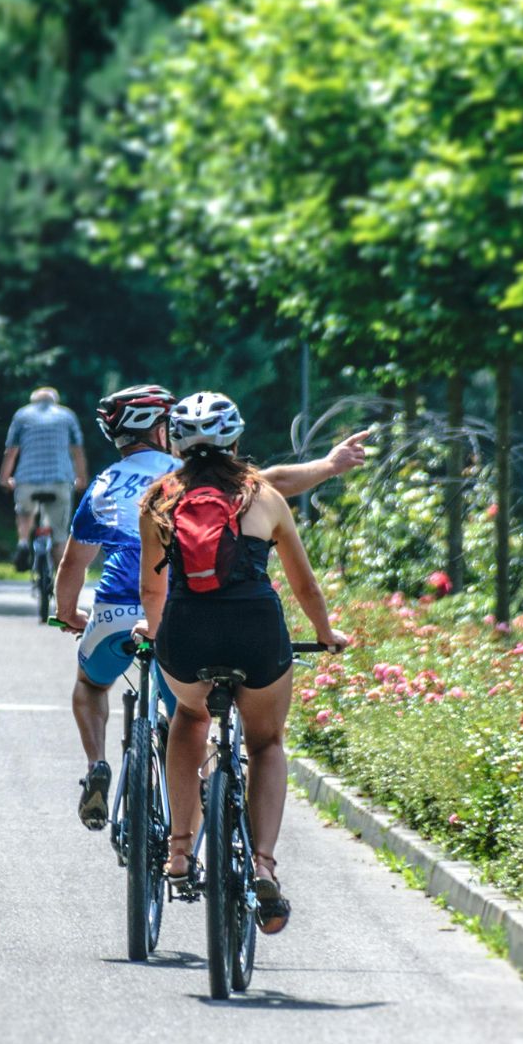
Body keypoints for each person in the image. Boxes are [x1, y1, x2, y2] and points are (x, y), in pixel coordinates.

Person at [56, 387, 368, 834]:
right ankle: (212, 811)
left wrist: (68, 611)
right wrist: (329, 465)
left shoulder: (113, 485)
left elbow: (74, 563)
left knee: (91, 682)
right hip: (200, 616)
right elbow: (273, 482)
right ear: (162, 432)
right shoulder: (194, 478)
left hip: (122, 614)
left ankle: (97, 764)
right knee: (194, 719)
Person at [133, 392, 349, 936]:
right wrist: (326, 635)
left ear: (175, 443)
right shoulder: (264, 495)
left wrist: (154, 632)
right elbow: (303, 584)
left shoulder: (158, 498)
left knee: (189, 718)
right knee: (267, 744)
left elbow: (151, 589)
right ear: (234, 438)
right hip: (256, 632)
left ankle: (180, 851)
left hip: (186, 633)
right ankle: (263, 865)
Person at [0, 387, 86, 571]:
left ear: (33, 401)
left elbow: (11, 451)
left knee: (24, 512)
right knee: (59, 536)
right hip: (60, 480)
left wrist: (5, 478)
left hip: (27, 480)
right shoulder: (67, 416)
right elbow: (77, 451)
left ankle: (23, 542)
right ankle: (57, 582)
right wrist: (81, 478)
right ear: (55, 400)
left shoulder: (22, 415)